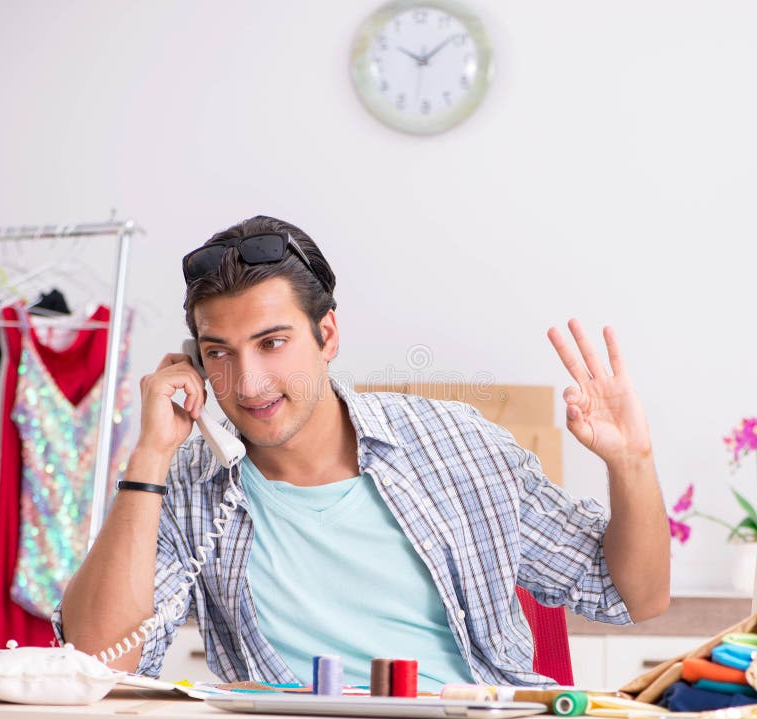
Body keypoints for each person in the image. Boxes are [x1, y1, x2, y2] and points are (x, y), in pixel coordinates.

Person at [57, 215, 670, 689]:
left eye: (272, 343)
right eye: (218, 352)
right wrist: (149, 457)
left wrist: (631, 461)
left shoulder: (456, 445)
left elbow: (633, 596)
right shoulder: (186, 484)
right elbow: (96, 660)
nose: (245, 384)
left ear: (327, 335)